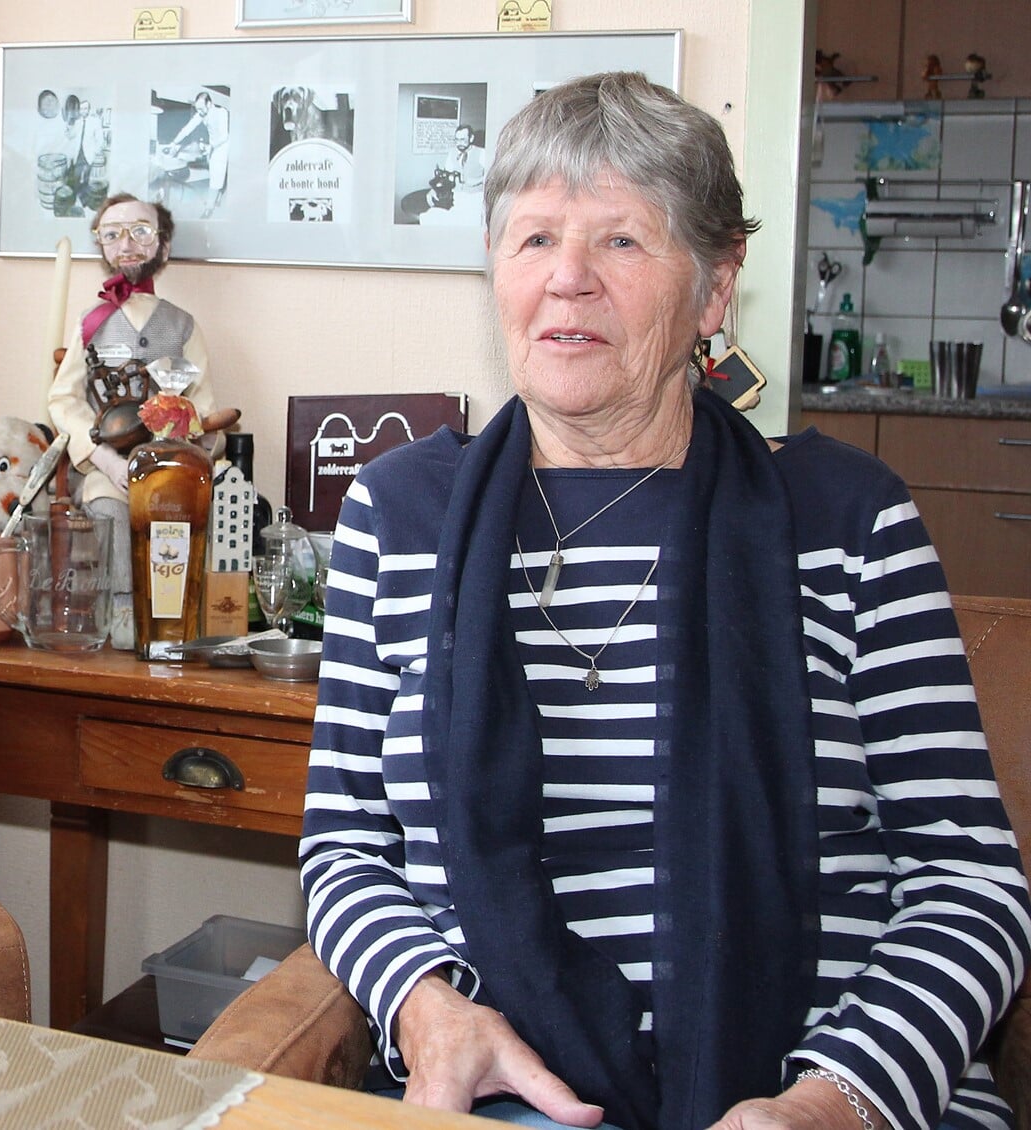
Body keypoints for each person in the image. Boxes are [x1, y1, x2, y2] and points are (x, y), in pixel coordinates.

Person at [302, 71, 1030, 1130]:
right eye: (535, 237)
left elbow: (970, 884)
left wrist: (833, 1100)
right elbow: (344, 847)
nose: (569, 281)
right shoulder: (400, 513)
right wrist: (429, 1010)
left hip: (820, 1089)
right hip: (507, 1086)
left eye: (624, 241)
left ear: (716, 284)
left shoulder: (846, 519)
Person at [47, 193, 215, 649]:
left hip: (167, 468)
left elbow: (203, 406)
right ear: (101, 245)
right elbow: (63, 399)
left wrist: (182, 436)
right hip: (109, 468)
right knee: (110, 513)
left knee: (179, 517)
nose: (128, 244)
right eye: (113, 233)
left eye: (141, 231)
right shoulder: (92, 323)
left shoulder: (182, 326)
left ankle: (174, 616)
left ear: (161, 245)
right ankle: (123, 610)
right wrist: (101, 458)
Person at [164, 89, 230, 218]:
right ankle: (217, 198)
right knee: (214, 175)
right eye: (197, 109)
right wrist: (173, 142)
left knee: (217, 177)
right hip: (213, 146)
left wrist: (210, 146)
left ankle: (209, 209)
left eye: (201, 108)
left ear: (209, 104)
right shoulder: (201, 114)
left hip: (223, 146)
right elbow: (187, 129)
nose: (199, 112)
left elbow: (224, 136)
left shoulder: (221, 112)